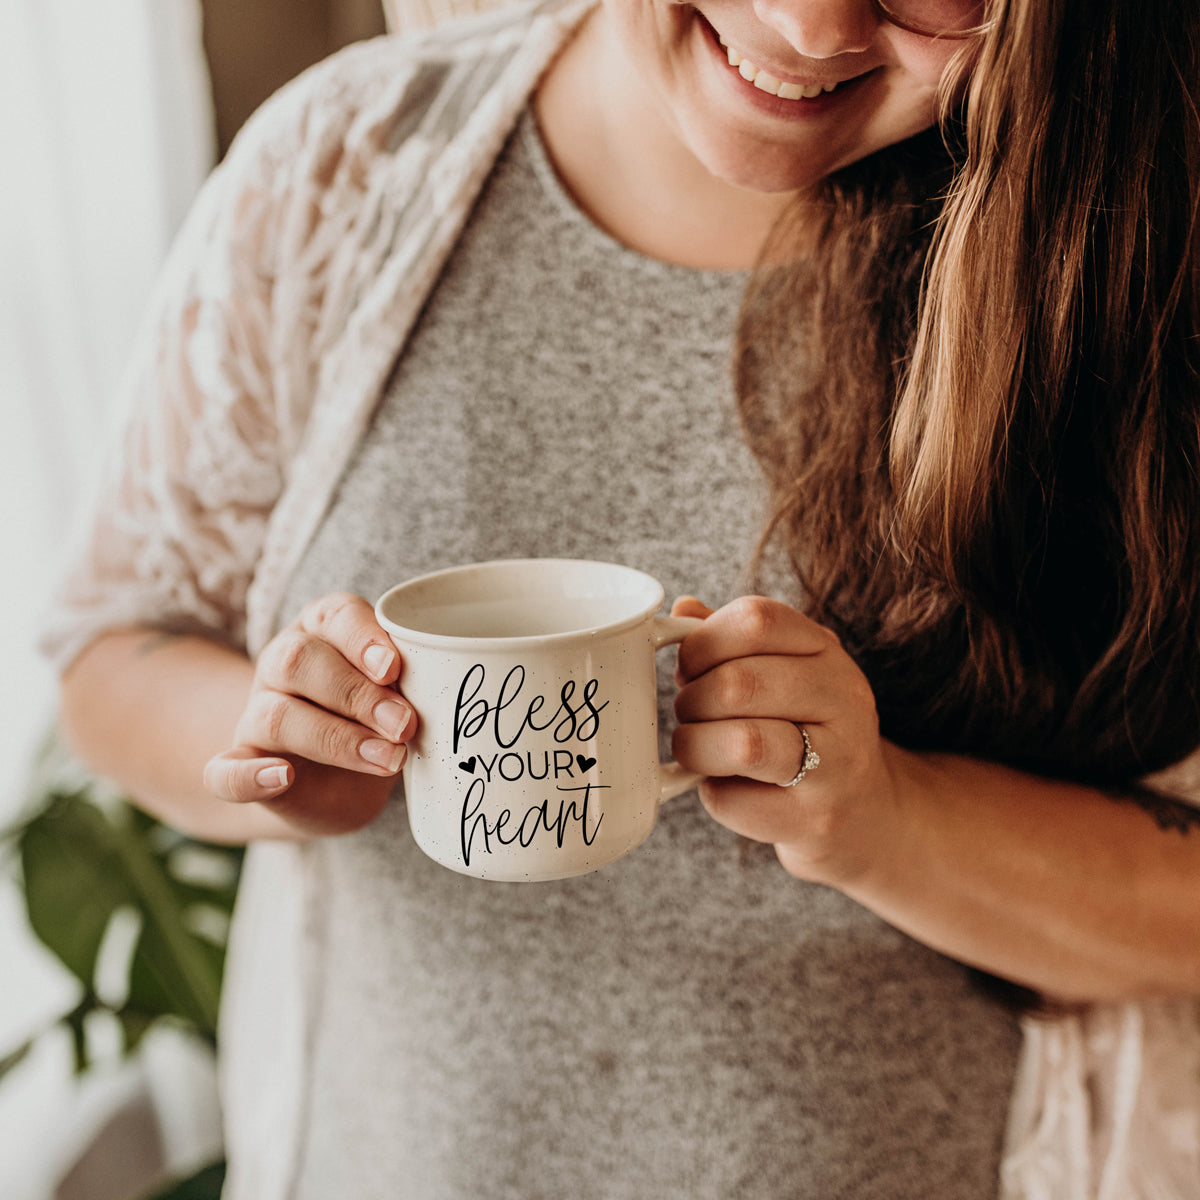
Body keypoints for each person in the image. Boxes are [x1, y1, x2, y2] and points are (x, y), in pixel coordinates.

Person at [41, 0, 1200, 1195]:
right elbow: (112, 643)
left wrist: (890, 820)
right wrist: (280, 752)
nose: (808, 28)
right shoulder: (348, 168)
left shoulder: (1125, 251)